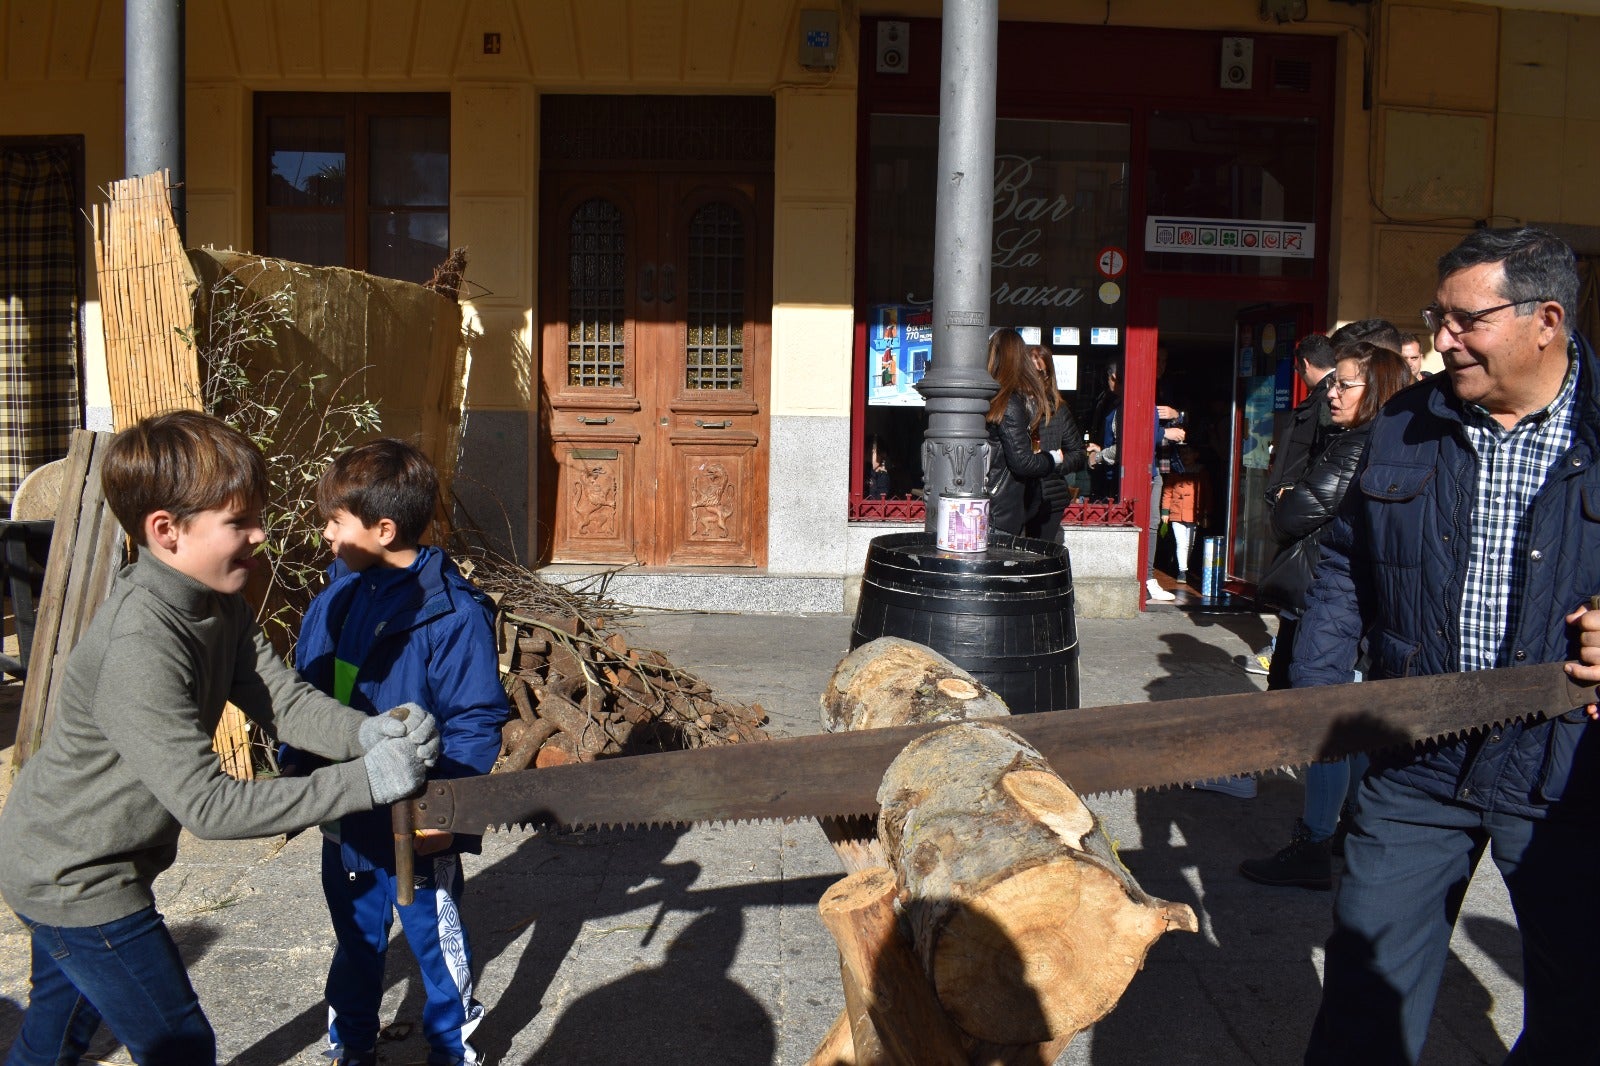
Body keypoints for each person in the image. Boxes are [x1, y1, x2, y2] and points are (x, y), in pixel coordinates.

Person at [0, 411, 440, 1066]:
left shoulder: (216, 598)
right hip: (78, 877)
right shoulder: (141, 644)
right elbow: (211, 808)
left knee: (54, 1037)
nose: (260, 536)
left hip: (74, 857)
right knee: (180, 1045)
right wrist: (364, 780)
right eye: (239, 523)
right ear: (165, 532)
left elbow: (280, 700)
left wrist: (366, 732)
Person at [1296, 227, 1600, 1064]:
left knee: (1580, 1010)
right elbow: (1347, 567)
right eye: (1438, 317)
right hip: (1414, 756)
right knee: (1365, 999)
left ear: (1546, 319)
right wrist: (1315, 703)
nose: (1440, 340)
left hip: (1569, 769)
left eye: (1465, 320)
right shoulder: (1406, 423)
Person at [286, 439, 510, 1066]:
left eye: (336, 521)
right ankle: (352, 1046)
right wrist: (294, 764)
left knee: (434, 944)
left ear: (383, 529)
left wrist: (448, 809)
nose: (326, 533)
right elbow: (305, 691)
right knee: (356, 941)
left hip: (418, 823)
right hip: (347, 813)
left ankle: (451, 1048)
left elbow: (474, 718)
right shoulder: (334, 600)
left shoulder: (453, 616)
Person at [1238, 342, 1414, 889]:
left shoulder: (1356, 445)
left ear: (1377, 390)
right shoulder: (1389, 442)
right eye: (1332, 383)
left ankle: (1315, 839)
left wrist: (1287, 497)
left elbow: (1292, 514)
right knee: (1349, 712)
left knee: (1325, 713)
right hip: (1356, 600)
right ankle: (1345, 826)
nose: (1331, 394)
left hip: (1332, 596)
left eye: (1345, 384)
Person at [984, 329, 1068, 536]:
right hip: (1001, 510)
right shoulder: (1009, 402)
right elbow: (1023, 462)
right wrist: (1051, 459)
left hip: (990, 505)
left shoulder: (987, 396)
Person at [1026, 344, 1088, 542]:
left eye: (1040, 372)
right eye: (1030, 370)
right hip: (1016, 496)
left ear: (1048, 375)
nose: (1035, 377)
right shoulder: (1012, 405)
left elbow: (1078, 453)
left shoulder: (1057, 410)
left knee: (1041, 557)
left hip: (1048, 495)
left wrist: (1053, 464)